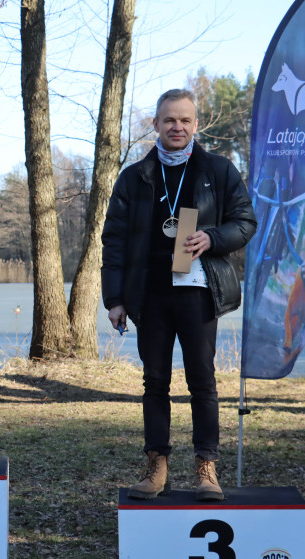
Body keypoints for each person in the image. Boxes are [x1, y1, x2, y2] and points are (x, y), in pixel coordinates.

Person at [101, 89, 257, 502]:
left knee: (202, 382)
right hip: (150, 294)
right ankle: (157, 465)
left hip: (198, 292)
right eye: (169, 120)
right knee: (155, 382)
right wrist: (114, 299)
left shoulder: (219, 170)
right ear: (155, 125)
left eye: (185, 120)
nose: (177, 127)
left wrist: (213, 236)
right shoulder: (134, 177)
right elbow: (113, 240)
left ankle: (206, 467)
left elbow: (245, 221)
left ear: (196, 124)